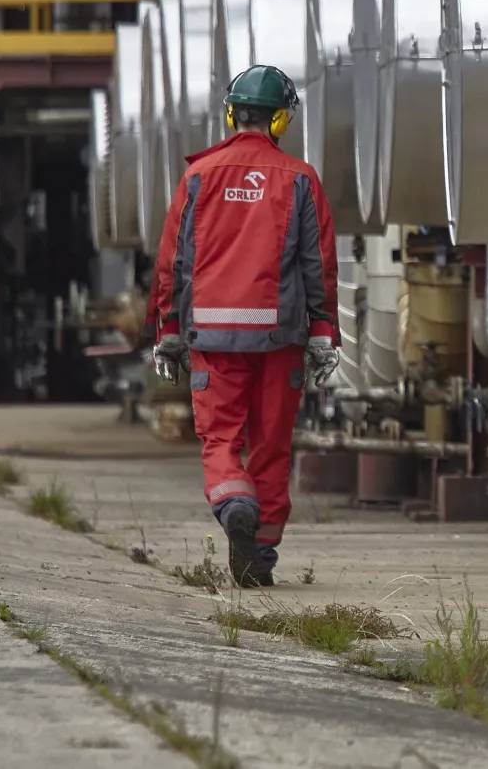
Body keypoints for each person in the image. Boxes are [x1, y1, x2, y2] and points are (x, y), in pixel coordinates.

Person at [147, 64, 342, 587]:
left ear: (232, 114)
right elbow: (318, 264)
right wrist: (324, 335)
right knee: (273, 443)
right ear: (280, 121)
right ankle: (260, 556)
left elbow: (173, 263)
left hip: (213, 338)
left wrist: (168, 330)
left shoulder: (197, 177)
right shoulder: (301, 179)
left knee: (222, 440)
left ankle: (234, 500)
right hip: (280, 338)